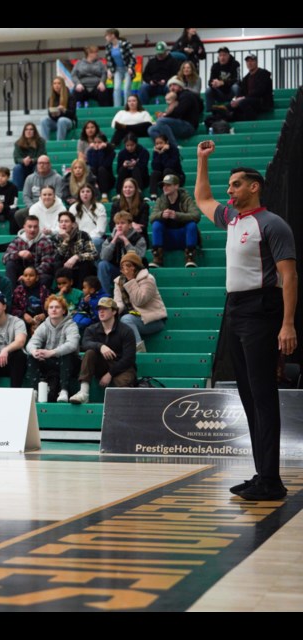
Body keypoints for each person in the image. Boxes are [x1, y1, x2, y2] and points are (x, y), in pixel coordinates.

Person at [194, 140, 297, 501]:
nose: (229, 191)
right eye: (229, 186)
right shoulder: (233, 219)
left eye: (235, 184)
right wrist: (201, 160)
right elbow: (203, 199)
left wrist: (288, 324)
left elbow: (289, 277)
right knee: (248, 395)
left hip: (262, 309)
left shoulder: (273, 224)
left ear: (254, 186)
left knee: (263, 395)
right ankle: (262, 474)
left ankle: (271, 480)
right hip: (235, 308)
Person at [68, 297, 137, 404]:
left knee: (124, 381)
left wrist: (110, 373)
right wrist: (100, 346)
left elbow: (129, 358)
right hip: (100, 365)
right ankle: (83, 392)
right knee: (90, 352)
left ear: (114, 311)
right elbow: (85, 344)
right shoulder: (91, 329)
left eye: (105, 309)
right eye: (99, 309)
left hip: (121, 367)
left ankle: (120, 406)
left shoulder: (126, 331)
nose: (101, 311)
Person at [25, 294, 80, 402]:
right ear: (47, 311)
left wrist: (51, 352)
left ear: (64, 311)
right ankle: (35, 391)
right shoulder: (44, 326)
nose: (53, 310)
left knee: (66, 354)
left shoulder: (71, 325)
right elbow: (31, 343)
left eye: (57, 307)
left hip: (71, 364)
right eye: (51, 307)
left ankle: (64, 391)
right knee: (31, 356)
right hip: (52, 364)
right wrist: (35, 351)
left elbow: (72, 345)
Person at [112, 252, 166, 352]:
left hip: (153, 320)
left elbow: (139, 300)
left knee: (126, 319)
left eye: (128, 265)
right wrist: (112, 312)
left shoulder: (148, 279)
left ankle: (139, 350)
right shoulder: (119, 282)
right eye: (123, 266)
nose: (125, 269)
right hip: (134, 317)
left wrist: (131, 280)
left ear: (135, 266)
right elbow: (119, 302)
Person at [149, 174, 200, 268]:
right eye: (164, 185)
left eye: (168, 185)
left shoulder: (186, 199)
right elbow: (152, 217)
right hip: (167, 239)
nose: (165, 187)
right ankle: (157, 257)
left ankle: (190, 256)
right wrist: (161, 214)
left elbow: (196, 215)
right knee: (156, 224)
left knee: (191, 225)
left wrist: (177, 215)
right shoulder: (161, 200)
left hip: (183, 237)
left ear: (176, 186)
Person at [98, 210, 148, 296]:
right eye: (117, 223)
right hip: (116, 269)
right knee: (102, 265)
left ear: (129, 225)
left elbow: (139, 257)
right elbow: (104, 257)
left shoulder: (138, 238)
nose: (119, 226)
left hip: (133, 270)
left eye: (122, 223)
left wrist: (125, 240)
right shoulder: (110, 238)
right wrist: (113, 241)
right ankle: (106, 296)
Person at [4, 215, 58, 288]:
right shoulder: (18, 240)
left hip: (38, 274)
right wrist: (18, 254)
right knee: (10, 264)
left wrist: (29, 276)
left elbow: (47, 264)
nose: (32, 230)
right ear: (24, 227)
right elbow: (5, 258)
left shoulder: (46, 242)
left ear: (39, 227)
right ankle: (11, 296)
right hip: (21, 272)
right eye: (29, 227)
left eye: (35, 227)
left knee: (46, 278)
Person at [147, 79, 201, 147]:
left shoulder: (186, 95)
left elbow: (178, 112)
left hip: (188, 127)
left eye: (174, 85)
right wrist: (165, 115)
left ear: (180, 86)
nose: (172, 88)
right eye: (170, 86)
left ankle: (174, 146)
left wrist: (165, 116)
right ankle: (166, 146)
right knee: (151, 129)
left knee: (161, 121)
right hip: (178, 125)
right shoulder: (176, 97)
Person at [16, 155, 64, 230]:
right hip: (33, 206)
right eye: (39, 163)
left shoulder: (57, 178)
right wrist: (33, 207)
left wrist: (47, 205)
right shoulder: (30, 178)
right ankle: (27, 233)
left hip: (51, 207)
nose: (41, 165)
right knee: (19, 214)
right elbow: (26, 196)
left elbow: (58, 195)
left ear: (49, 165)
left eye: (44, 163)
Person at [54, 210, 98, 288]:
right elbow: (57, 257)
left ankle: (81, 293)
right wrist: (65, 241)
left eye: (66, 221)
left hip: (81, 267)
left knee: (85, 264)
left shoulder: (83, 235)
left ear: (73, 224)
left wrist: (77, 257)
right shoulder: (56, 238)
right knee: (57, 264)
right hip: (65, 267)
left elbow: (94, 253)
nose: (63, 224)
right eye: (61, 222)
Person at [226, 54, 274, 122]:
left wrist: (243, 98)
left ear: (256, 62)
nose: (249, 63)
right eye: (248, 61)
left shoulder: (263, 74)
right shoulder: (246, 78)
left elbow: (260, 91)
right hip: (249, 101)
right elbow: (241, 93)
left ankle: (251, 121)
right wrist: (234, 100)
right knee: (229, 106)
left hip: (262, 101)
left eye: (252, 61)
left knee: (243, 102)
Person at [69, 185, 107, 252]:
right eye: (82, 192)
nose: (85, 194)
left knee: (95, 242)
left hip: (95, 237)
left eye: (88, 191)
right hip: (79, 238)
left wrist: (87, 238)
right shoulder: (73, 208)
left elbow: (101, 229)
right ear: (79, 194)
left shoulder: (100, 207)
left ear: (92, 194)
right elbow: (71, 226)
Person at [104, 29, 135, 108]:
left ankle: (127, 107)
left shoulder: (125, 44)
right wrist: (109, 70)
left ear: (113, 35)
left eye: (107, 35)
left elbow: (132, 57)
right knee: (117, 88)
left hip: (127, 68)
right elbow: (108, 60)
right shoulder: (108, 47)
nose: (106, 37)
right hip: (117, 69)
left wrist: (130, 67)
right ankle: (116, 107)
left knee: (126, 88)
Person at [39, 77, 76, 141]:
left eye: (59, 83)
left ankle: (59, 143)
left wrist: (64, 110)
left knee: (61, 120)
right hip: (56, 121)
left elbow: (72, 114)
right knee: (43, 120)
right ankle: (45, 144)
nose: (56, 85)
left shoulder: (70, 96)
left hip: (68, 121)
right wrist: (54, 115)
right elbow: (50, 114)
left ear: (63, 85)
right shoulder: (51, 99)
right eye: (54, 83)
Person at [11, 123, 45, 190]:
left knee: (39, 167)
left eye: (31, 129)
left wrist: (32, 160)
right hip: (23, 167)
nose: (28, 131)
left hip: (35, 165)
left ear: (34, 131)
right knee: (17, 168)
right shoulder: (18, 143)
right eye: (26, 130)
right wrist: (23, 160)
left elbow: (43, 156)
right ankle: (18, 192)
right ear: (24, 132)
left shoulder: (41, 142)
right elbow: (16, 159)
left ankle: (37, 190)